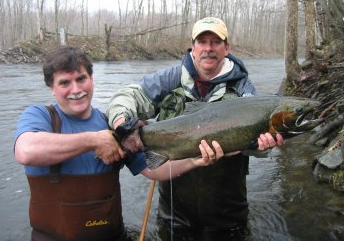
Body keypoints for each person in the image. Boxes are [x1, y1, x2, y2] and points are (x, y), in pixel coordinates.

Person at [14, 46, 223, 241]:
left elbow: (155, 170)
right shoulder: (40, 117)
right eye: (64, 83)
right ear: (51, 87)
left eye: (81, 78)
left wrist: (196, 161)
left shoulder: (113, 125)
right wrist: (94, 140)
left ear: (92, 79)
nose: (75, 89)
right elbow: (26, 151)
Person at [107, 17, 284, 240]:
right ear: (193, 47)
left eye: (215, 42)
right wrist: (123, 125)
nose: (208, 49)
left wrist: (262, 147)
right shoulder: (170, 78)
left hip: (226, 214)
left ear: (226, 48)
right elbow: (125, 96)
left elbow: (256, 146)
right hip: (174, 212)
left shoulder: (243, 90)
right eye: (202, 41)